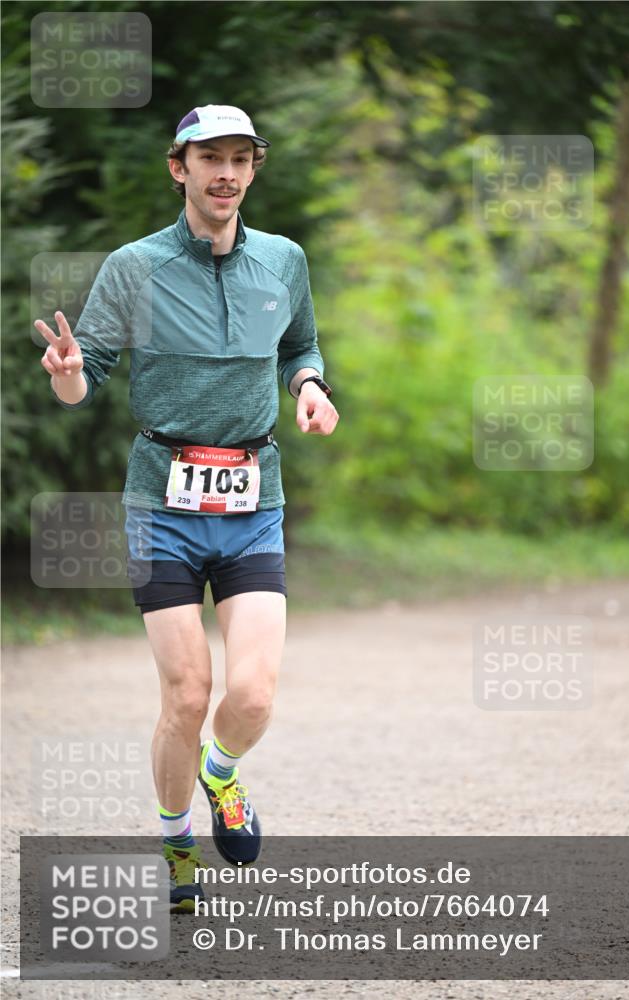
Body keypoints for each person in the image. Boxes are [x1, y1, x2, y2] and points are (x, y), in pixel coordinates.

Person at [35, 104, 339, 912]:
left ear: (253, 168)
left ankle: (222, 773)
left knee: (253, 696)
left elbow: (300, 345)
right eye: (210, 158)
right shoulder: (135, 267)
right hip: (162, 504)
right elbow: (83, 376)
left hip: (253, 499)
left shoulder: (283, 260)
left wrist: (309, 387)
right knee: (185, 696)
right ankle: (176, 842)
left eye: (241, 158)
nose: (226, 173)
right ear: (179, 167)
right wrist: (65, 368)